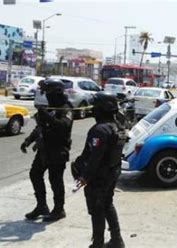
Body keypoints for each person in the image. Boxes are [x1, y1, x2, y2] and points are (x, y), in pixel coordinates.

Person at [72, 92, 128, 248]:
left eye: (96, 106)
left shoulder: (100, 130)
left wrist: (84, 177)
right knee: (107, 204)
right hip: (112, 172)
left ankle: (98, 243)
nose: (93, 109)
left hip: (100, 176)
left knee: (97, 208)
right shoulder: (117, 126)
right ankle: (117, 240)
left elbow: (95, 157)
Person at [21, 79, 73, 222]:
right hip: (44, 149)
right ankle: (41, 205)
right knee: (35, 174)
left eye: (48, 92)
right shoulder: (50, 106)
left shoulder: (65, 108)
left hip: (58, 150)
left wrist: (48, 117)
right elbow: (40, 127)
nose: (46, 96)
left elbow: (63, 126)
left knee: (55, 180)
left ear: (56, 92)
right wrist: (29, 140)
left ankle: (59, 209)